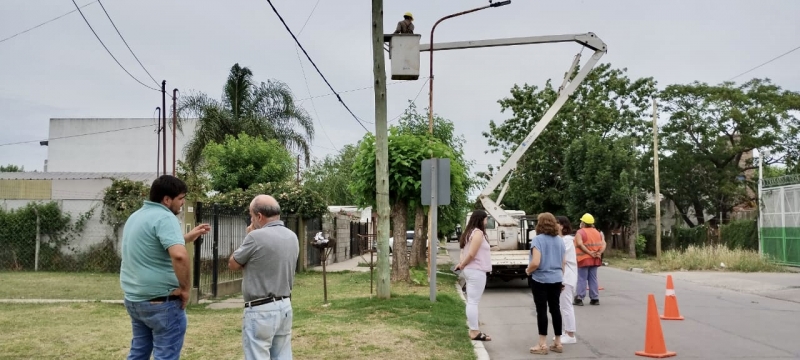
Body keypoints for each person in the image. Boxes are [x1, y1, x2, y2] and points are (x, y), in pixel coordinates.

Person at [120, 175, 211, 360]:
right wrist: (185, 289)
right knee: (165, 356)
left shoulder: (136, 216)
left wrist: (186, 237)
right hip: (161, 303)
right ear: (167, 199)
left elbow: (152, 243)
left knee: (138, 353)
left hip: (135, 300)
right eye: (180, 198)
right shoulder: (165, 217)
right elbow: (179, 255)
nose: (183, 203)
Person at [229, 195, 299, 360]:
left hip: (260, 308)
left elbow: (233, 263)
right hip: (285, 304)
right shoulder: (292, 236)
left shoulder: (255, 237)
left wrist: (249, 236)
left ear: (259, 216)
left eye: (251, 216)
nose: (251, 220)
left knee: (257, 355)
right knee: (282, 355)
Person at [525, 212, 566, 355]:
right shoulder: (560, 240)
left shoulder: (538, 240)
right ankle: (558, 342)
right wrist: (561, 278)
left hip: (540, 279)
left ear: (540, 224)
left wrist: (528, 270)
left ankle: (542, 344)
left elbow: (536, 262)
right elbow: (563, 262)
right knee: (555, 309)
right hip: (556, 278)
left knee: (541, 310)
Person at [453, 210, 492, 342]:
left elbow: (463, 251)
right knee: (473, 302)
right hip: (477, 270)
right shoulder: (478, 233)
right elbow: (471, 254)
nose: (487, 222)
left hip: (471, 270)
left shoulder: (468, 233)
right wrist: (463, 264)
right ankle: (474, 332)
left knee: (471, 301)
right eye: (486, 219)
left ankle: (474, 330)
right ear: (481, 219)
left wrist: (461, 264)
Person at [573, 213, 606, 306]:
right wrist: (599, 252)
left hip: (584, 258)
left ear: (583, 222)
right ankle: (595, 298)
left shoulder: (580, 232)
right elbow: (603, 244)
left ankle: (579, 298)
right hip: (595, 259)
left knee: (582, 278)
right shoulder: (598, 232)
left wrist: (588, 252)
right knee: (593, 278)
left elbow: (579, 244)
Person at [556, 216, 578, 344]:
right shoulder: (562, 240)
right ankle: (566, 332)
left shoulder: (567, 240)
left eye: (556, 223)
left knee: (566, 306)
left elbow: (561, 259)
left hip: (566, 276)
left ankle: (570, 334)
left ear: (562, 226)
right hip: (564, 276)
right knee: (562, 306)